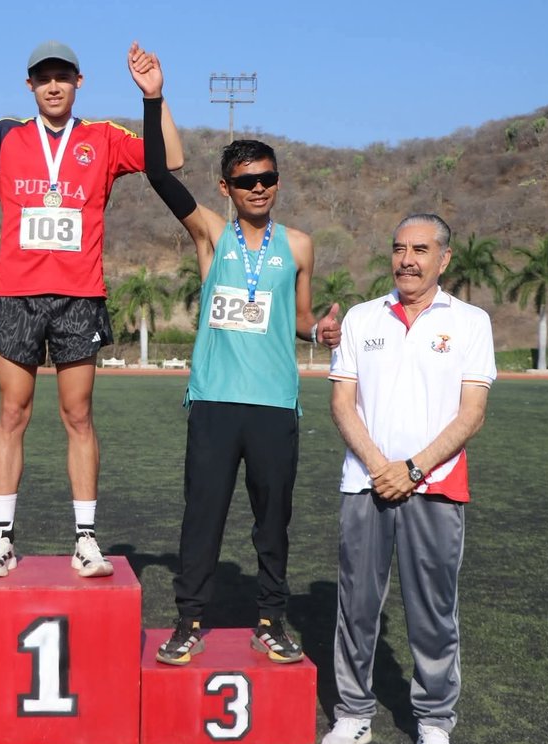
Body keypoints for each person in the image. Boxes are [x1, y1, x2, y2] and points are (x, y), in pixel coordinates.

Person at [0, 40, 183, 578]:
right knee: (12, 413)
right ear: (29, 85)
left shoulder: (103, 138)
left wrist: (154, 97)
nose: (53, 85)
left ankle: (86, 541)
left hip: (79, 295)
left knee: (78, 416)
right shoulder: (6, 136)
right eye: (43, 77)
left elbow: (173, 160)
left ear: (79, 82)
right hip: (15, 295)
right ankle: (2, 539)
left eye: (63, 77)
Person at [136, 48, 341, 667]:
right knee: (203, 520)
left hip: (276, 402)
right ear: (226, 188)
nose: (259, 189)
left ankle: (270, 621)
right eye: (247, 181)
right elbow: (157, 174)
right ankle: (190, 621)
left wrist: (320, 333)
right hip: (216, 402)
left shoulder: (300, 245)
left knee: (272, 525)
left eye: (268, 179)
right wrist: (153, 98)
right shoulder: (212, 235)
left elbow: (300, 320)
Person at [319, 213, 496, 744]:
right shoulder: (360, 316)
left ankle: (435, 723)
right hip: (365, 484)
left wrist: (413, 468)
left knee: (433, 612)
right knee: (357, 606)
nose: (407, 259)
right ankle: (352, 712)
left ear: (444, 259)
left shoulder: (470, 322)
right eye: (399, 248)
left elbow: (472, 414)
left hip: (437, 487)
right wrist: (380, 466)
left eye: (420, 249)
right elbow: (342, 402)